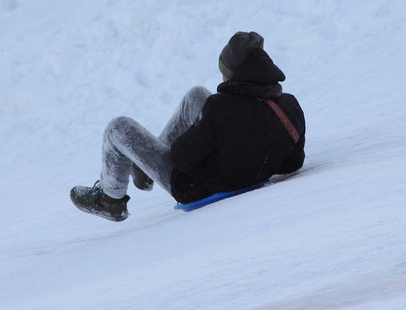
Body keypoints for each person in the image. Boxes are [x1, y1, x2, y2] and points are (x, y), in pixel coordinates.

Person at [70, 31, 306, 221]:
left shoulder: (222, 110)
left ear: (234, 75)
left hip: (194, 188)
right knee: (197, 95)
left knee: (117, 127)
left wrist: (204, 135)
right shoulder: (288, 105)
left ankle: (110, 200)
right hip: (246, 174)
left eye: (224, 72)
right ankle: (143, 170)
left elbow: (181, 159)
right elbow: (292, 163)